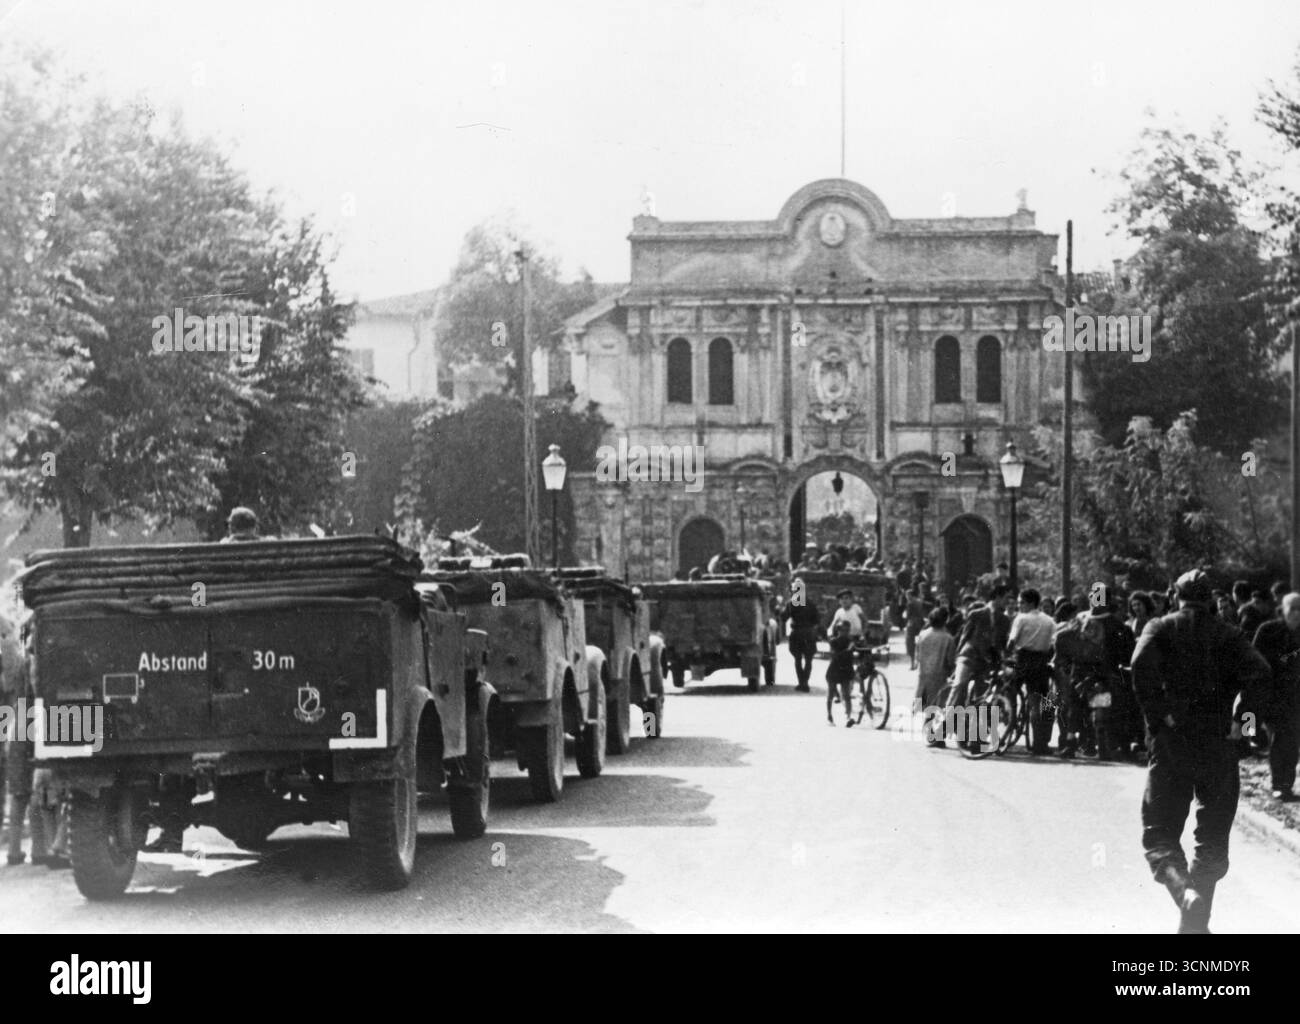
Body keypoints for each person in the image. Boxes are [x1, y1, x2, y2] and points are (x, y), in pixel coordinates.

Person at [1131, 568, 1273, 934]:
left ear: (1174, 595)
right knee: (1210, 840)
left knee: (1159, 833)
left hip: (1172, 742)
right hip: (1217, 743)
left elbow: (1139, 666)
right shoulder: (1229, 634)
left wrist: (1159, 716)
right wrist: (1243, 727)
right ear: (1211, 598)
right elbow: (1260, 673)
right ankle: (1195, 923)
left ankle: (1184, 896)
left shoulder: (1159, 628)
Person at [945, 585, 1013, 742]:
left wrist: (1002, 662)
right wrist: (958, 659)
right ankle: (942, 727)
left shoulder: (1004, 620)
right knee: (959, 686)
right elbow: (964, 636)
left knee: (983, 696)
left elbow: (1001, 645)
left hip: (986, 661)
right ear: (996, 597)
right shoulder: (976, 614)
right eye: (1005, 599)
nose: (1007, 603)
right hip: (969, 656)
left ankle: (976, 736)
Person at [1252, 593, 1300, 801]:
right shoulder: (1268, 631)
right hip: (1274, 696)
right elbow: (1255, 660)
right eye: (1293, 609)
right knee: (1281, 740)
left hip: (1296, 696)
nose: (1297, 613)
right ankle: (1280, 785)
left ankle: (1285, 783)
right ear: (1283, 610)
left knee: (1291, 741)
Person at [1007, 588, 1056, 754]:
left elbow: (1012, 641)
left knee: (1009, 689)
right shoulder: (1049, 621)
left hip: (1022, 659)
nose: (1019, 605)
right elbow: (1052, 645)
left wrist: (1007, 654)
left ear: (1029, 603)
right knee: (1037, 703)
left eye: (1021, 602)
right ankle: (1039, 744)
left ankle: (1010, 717)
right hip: (1040, 662)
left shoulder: (1021, 618)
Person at [916, 608, 956, 748]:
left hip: (924, 674)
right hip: (940, 675)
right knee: (939, 706)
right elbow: (951, 661)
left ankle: (930, 733)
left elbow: (918, 656)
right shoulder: (948, 638)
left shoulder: (922, 635)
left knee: (927, 704)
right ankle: (935, 736)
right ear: (946, 620)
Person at [782, 591, 821, 693]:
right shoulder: (811, 603)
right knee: (808, 660)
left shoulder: (791, 603)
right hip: (809, 633)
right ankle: (805, 683)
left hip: (797, 633)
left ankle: (801, 683)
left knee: (797, 659)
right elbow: (817, 620)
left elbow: (783, 617)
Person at [825, 621, 858, 727]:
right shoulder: (834, 641)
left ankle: (848, 717)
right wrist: (848, 650)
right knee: (830, 694)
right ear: (838, 630)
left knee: (846, 695)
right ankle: (829, 715)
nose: (845, 632)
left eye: (847, 630)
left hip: (845, 670)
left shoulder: (850, 641)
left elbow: (856, 650)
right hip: (834, 670)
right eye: (842, 630)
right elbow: (835, 654)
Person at [904, 587, 927, 670]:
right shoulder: (919, 602)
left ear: (910, 595)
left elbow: (907, 616)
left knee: (910, 644)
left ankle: (912, 663)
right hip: (920, 624)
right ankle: (919, 662)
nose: (906, 597)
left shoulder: (910, 603)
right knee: (920, 644)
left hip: (912, 625)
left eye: (907, 595)